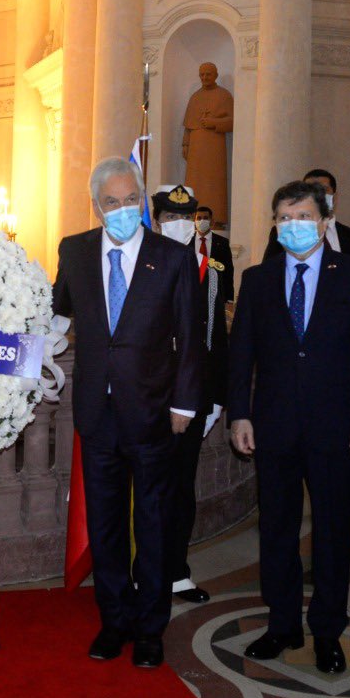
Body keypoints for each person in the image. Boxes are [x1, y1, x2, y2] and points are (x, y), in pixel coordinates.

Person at [229, 180, 350, 674]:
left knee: (332, 531)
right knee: (275, 529)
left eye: (302, 217)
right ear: (274, 225)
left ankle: (327, 630)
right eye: (283, 218)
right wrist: (239, 412)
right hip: (274, 426)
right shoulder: (258, 278)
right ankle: (281, 624)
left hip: (338, 427)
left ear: (324, 221)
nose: (293, 226)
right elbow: (241, 355)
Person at [52, 157, 201, 669]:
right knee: (107, 523)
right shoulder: (74, 250)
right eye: (109, 202)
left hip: (156, 412)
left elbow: (190, 338)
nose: (120, 209)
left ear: (141, 200)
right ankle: (114, 621)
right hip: (96, 413)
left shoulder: (173, 257)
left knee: (155, 522)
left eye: (128, 200)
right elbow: (59, 309)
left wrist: (185, 403)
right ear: (96, 206)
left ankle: (150, 627)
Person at [150, 185, 226, 604]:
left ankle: (177, 570)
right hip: (146, 396)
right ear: (157, 220)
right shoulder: (139, 265)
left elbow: (215, 337)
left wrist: (214, 395)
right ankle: (143, 571)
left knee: (181, 487)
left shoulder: (209, 269)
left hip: (191, 395)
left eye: (187, 218)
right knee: (145, 488)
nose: (181, 226)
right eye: (171, 219)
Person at [262, 169, 350, 262]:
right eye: (311, 189)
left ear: (334, 197)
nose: (318, 194)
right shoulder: (284, 231)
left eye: (324, 189)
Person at [182, 63, 234, 224]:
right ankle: (193, 217)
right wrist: (185, 145)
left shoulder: (224, 95)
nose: (204, 78)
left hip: (214, 148)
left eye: (208, 74)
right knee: (195, 183)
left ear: (216, 75)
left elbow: (233, 121)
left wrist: (213, 122)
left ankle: (216, 219)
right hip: (196, 150)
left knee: (214, 184)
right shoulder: (195, 97)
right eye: (202, 75)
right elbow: (188, 127)